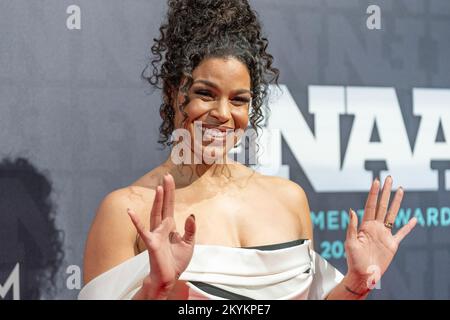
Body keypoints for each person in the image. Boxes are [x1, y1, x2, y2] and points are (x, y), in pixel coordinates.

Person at [78, 0, 417, 300]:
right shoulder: (127, 212)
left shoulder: (289, 200)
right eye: (205, 93)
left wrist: (356, 284)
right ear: (172, 93)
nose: (223, 114)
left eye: (238, 99)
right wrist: (156, 290)